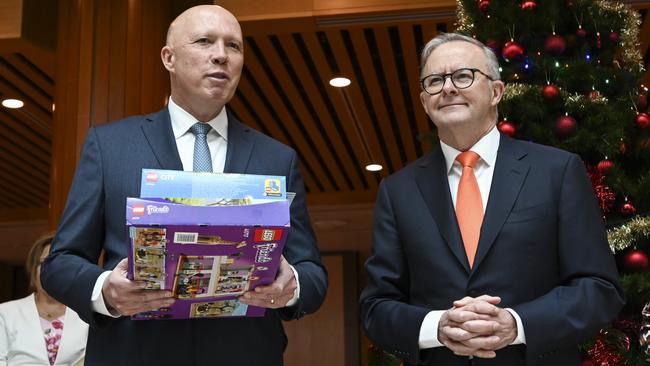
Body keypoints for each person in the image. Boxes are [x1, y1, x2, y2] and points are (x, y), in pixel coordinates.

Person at [40, 5, 327, 366]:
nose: (221, 55)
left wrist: (293, 286)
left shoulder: (276, 157)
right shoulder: (111, 146)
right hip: (134, 354)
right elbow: (60, 263)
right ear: (169, 58)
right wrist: (106, 291)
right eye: (205, 41)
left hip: (245, 354)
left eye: (233, 46)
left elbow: (313, 271)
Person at [359, 32, 624, 366]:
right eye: (435, 80)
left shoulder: (556, 171)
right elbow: (376, 307)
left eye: (463, 76)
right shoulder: (398, 191)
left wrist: (516, 324)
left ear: (496, 91)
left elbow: (599, 288)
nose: (448, 87)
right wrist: (437, 328)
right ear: (425, 101)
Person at [0, 233, 88, 366]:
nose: (52, 270)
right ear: (33, 269)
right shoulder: (5, 313)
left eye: (60, 264)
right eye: (45, 262)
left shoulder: (87, 313)